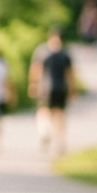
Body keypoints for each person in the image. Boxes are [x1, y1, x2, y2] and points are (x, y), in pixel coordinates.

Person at [29, 29, 74, 157]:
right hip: (61, 87)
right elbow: (69, 74)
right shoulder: (65, 54)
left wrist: (33, 84)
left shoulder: (42, 51)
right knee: (60, 114)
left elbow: (36, 69)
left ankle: (45, 131)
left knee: (44, 111)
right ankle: (59, 140)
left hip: (45, 87)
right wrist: (72, 89)